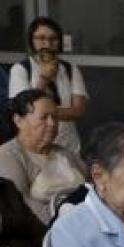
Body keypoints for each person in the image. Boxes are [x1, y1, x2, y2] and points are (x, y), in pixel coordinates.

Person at [0, 89, 86, 224]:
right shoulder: (7, 156)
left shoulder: (65, 153)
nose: (52, 123)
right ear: (18, 120)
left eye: (55, 117)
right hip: (47, 230)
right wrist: (69, 224)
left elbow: (92, 186)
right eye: (44, 117)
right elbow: (21, 205)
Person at [8, 17, 88, 153]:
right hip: (34, 147)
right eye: (41, 38)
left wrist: (43, 113)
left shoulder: (70, 69)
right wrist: (44, 80)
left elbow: (79, 111)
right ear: (32, 41)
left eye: (53, 38)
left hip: (68, 146)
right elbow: (23, 109)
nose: (47, 43)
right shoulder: (22, 69)